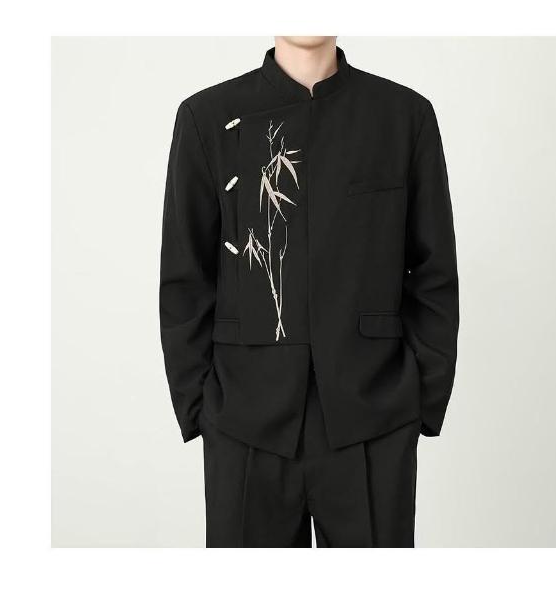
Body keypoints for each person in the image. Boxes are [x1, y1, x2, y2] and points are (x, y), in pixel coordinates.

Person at [160, 36, 459, 547]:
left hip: (373, 419)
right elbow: (185, 274)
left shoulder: (403, 116)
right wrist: (200, 406)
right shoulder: (207, 117)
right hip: (244, 422)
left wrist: (420, 398)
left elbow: (434, 271)